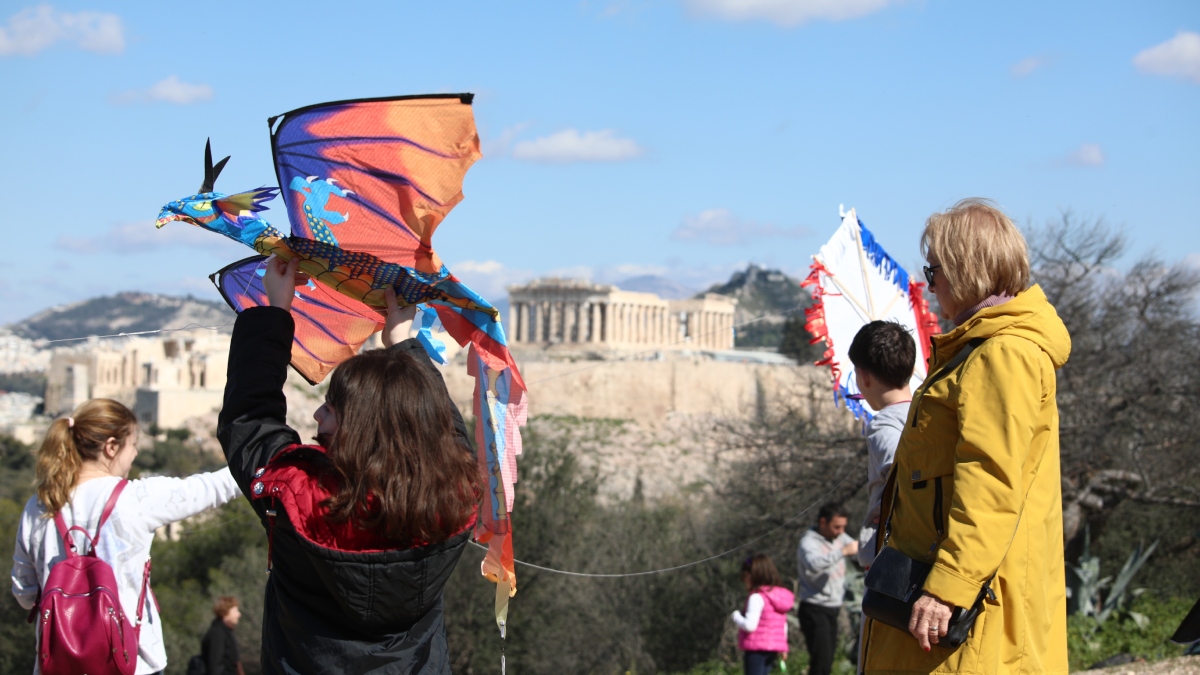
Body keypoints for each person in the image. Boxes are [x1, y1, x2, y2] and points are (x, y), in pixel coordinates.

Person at [218, 256, 482, 674]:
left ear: (359, 427)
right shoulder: (452, 497)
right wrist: (403, 346)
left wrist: (275, 311)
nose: (316, 416)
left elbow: (248, 420)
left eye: (330, 408)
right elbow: (444, 435)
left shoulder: (300, 499)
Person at [860, 198, 1071, 673]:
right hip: (947, 601)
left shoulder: (1004, 353)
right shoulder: (980, 349)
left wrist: (948, 586)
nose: (930, 285)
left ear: (964, 268)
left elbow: (990, 479)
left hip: (970, 612)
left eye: (933, 271)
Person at [11, 398, 241, 675]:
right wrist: (264, 458)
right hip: (132, 663)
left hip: (59, 663)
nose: (134, 454)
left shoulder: (39, 506)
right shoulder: (135, 499)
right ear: (111, 447)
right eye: (132, 444)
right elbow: (211, 488)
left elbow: (25, 594)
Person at [848, 321, 915, 569]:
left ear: (864, 377)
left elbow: (904, 473)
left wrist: (889, 513)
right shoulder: (928, 413)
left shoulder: (884, 425)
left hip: (889, 559)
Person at [797, 503, 858, 675]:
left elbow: (857, 549)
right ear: (823, 522)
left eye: (843, 527)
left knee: (827, 662)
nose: (841, 531)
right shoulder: (808, 542)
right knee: (821, 664)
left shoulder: (840, 537)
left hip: (833, 607)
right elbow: (813, 564)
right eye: (837, 527)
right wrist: (842, 551)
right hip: (814, 608)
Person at [732, 554, 795, 675]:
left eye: (745, 575)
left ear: (753, 576)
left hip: (756, 650)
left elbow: (750, 625)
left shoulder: (756, 597)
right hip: (773, 650)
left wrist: (736, 616)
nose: (743, 579)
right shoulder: (778, 597)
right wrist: (783, 646)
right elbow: (783, 625)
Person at [201, 596, 244, 675]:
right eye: (235, 611)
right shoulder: (217, 633)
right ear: (225, 611)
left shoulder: (227, 632)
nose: (239, 614)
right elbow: (215, 667)